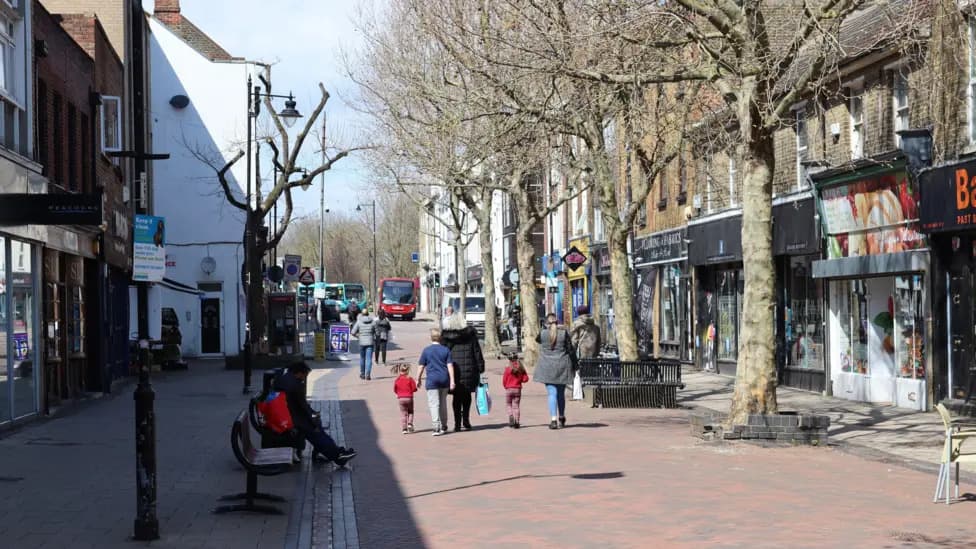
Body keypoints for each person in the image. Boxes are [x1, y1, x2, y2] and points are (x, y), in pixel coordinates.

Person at [273, 361, 357, 465]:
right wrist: (314, 419)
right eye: (304, 375)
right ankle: (337, 456)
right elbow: (303, 407)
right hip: (293, 418)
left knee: (316, 427)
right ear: (299, 373)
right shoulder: (295, 385)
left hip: (286, 414)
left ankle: (332, 452)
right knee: (316, 431)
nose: (304, 379)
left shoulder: (284, 378)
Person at [441, 314, 485, 432]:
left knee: (456, 397)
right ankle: (466, 420)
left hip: (454, 371)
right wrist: (481, 367)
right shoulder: (471, 337)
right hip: (470, 370)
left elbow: (443, 354)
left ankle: (457, 423)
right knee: (466, 396)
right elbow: (477, 353)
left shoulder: (447, 338)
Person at [534, 313, 578, 430]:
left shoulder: (543, 334)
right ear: (557, 323)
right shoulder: (564, 334)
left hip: (547, 367)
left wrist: (545, 328)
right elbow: (570, 350)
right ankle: (562, 417)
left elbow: (537, 339)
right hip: (562, 366)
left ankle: (553, 419)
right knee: (560, 394)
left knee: (551, 393)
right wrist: (576, 366)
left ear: (546, 323)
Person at [417, 328, 456, 436]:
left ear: (431, 337)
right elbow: (450, 366)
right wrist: (452, 380)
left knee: (434, 403)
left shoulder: (426, 350)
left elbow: (421, 366)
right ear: (440, 338)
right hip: (444, 379)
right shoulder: (446, 350)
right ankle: (444, 425)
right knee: (443, 403)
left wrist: (418, 379)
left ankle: (436, 426)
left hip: (432, 380)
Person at [502, 353, 529, 429]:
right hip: (517, 389)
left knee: (508, 404)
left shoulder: (507, 369)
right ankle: (517, 421)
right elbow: (526, 379)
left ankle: (511, 416)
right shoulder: (521, 368)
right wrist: (520, 380)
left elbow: (504, 380)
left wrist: (506, 386)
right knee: (516, 406)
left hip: (509, 389)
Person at [351, 309, 376, 380]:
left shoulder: (359, 322)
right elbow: (377, 332)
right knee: (369, 359)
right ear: (368, 314)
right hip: (370, 342)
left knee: (362, 358)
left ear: (362, 314)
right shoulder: (373, 322)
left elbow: (353, 332)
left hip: (361, 342)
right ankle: (368, 374)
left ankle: (362, 374)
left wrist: (358, 336)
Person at [393, 363, 417, 434]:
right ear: (407, 371)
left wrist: (399, 393)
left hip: (401, 398)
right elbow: (414, 388)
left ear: (399, 370)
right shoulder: (410, 379)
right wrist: (412, 391)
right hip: (409, 397)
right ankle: (410, 424)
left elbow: (395, 389)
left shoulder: (397, 380)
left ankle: (404, 429)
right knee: (410, 411)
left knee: (403, 413)